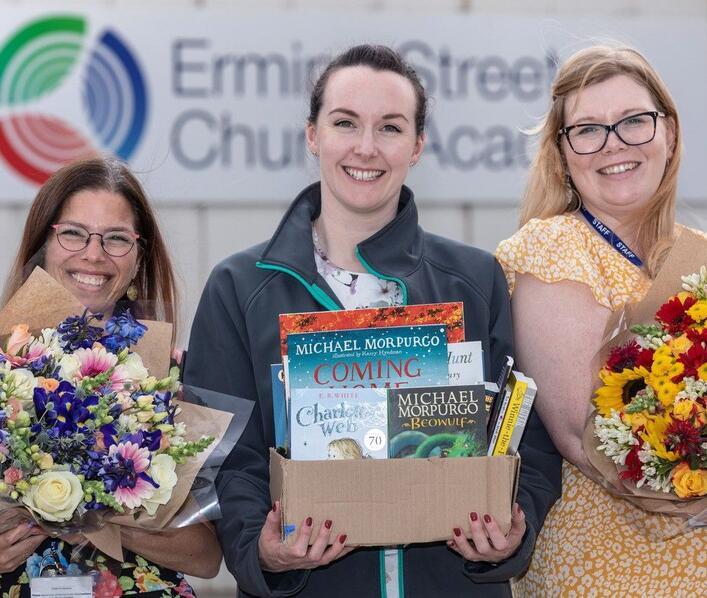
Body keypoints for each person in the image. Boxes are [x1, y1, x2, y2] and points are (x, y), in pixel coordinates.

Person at [184, 44, 561, 598]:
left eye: (390, 127)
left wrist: (512, 530)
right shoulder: (239, 287)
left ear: (417, 146)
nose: (366, 147)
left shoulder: (475, 281)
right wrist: (260, 549)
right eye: (345, 123)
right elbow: (225, 461)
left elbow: (530, 440)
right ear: (313, 135)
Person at [496, 45, 707, 595]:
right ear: (563, 154)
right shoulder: (550, 249)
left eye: (634, 121)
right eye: (588, 130)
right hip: (609, 570)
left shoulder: (698, 255)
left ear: (669, 133)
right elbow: (586, 439)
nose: (614, 145)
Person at [0, 156, 222, 596]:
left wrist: (95, 516)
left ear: (139, 260)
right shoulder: (7, 368)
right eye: (73, 233)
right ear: (43, 244)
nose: (94, 253)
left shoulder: (169, 379)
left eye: (117, 238)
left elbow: (209, 557)